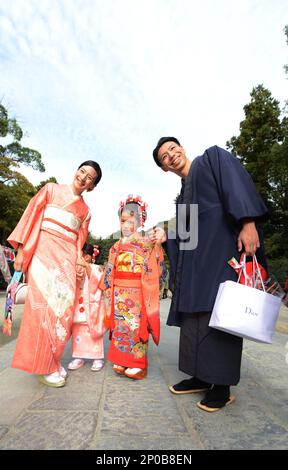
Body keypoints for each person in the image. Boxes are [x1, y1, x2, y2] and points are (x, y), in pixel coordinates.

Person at [152, 137, 268, 412]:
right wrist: (165, 236)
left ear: (181, 148)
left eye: (172, 148)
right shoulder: (183, 196)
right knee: (195, 316)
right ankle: (201, 376)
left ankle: (222, 386)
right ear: (164, 168)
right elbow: (184, 235)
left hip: (221, 251)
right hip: (195, 263)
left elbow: (236, 184)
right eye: (164, 157)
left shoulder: (211, 159)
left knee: (221, 314)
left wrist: (248, 222)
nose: (171, 155)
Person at [7, 161, 102, 387]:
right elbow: (30, 217)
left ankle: (52, 359)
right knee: (42, 310)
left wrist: (79, 260)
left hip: (67, 259)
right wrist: (21, 250)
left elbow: (80, 242)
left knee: (63, 310)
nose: (83, 178)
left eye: (90, 177)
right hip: (42, 253)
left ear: (92, 186)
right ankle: (44, 365)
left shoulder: (86, 212)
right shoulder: (50, 189)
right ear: (76, 171)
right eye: (82, 171)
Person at [100, 195, 164, 380]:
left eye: (131, 220)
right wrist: (107, 286)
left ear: (140, 221)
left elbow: (157, 266)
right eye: (123, 220)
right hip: (119, 290)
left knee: (136, 326)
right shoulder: (116, 245)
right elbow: (110, 267)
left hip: (138, 292)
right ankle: (120, 359)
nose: (126, 225)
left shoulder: (148, 243)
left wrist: (158, 246)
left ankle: (137, 364)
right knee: (120, 324)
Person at [68, 243, 107, 372]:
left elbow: (97, 281)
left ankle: (97, 358)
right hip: (78, 303)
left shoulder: (97, 268)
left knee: (93, 331)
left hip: (91, 306)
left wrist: (87, 267)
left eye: (86, 255)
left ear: (91, 256)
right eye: (82, 254)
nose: (84, 257)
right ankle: (79, 356)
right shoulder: (76, 266)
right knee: (78, 329)